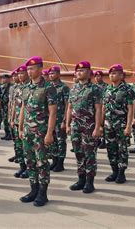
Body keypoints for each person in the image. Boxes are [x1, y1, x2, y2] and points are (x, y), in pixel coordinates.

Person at [18, 56, 57, 207]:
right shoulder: (26, 88)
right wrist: (20, 127)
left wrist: (49, 133)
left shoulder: (48, 88)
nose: (29, 71)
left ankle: (42, 193)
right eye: (28, 69)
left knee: (42, 163)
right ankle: (33, 190)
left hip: (41, 133)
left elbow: (52, 112)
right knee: (30, 162)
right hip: (27, 132)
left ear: (40, 69)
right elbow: (23, 108)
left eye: (32, 68)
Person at [66, 61, 102, 194]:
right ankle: (81, 179)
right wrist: (67, 123)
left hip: (89, 126)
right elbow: (69, 107)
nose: (79, 72)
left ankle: (89, 182)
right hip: (76, 126)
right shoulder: (73, 88)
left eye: (82, 70)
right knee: (78, 153)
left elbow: (99, 109)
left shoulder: (95, 89)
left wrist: (98, 127)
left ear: (88, 72)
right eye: (77, 70)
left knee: (90, 154)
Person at [102, 64, 134, 184]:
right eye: (110, 73)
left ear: (121, 75)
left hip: (121, 124)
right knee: (111, 149)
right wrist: (100, 124)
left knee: (122, 149)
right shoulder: (107, 89)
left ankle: (121, 173)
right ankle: (114, 171)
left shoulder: (127, 89)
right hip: (108, 124)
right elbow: (104, 108)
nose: (111, 75)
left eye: (114, 73)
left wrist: (128, 126)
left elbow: (131, 109)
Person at [48, 66, 70, 172]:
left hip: (60, 118)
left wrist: (65, 121)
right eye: (50, 73)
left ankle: (60, 163)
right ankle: (54, 160)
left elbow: (67, 105)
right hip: (50, 120)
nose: (51, 75)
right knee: (52, 141)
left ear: (58, 74)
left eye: (53, 73)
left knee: (61, 141)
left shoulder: (64, 88)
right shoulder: (48, 87)